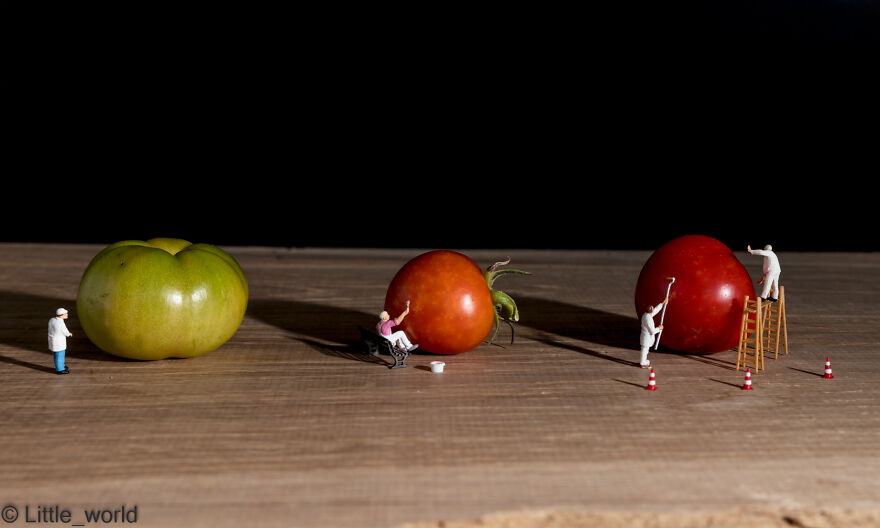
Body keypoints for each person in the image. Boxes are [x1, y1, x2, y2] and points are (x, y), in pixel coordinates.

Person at [639, 298, 667, 368]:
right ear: (650, 311)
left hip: (646, 337)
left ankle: (643, 361)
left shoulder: (646, 315)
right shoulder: (648, 319)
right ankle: (643, 363)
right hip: (646, 337)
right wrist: (659, 328)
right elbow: (652, 331)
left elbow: (655, 311)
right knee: (645, 350)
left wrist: (662, 303)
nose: (653, 310)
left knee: (645, 350)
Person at [48, 308, 72, 375]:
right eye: (65, 314)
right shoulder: (60, 323)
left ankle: (61, 366)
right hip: (59, 342)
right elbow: (65, 331)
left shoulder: (52, 320)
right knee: (60, 356)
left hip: (53, 340)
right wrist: (69, 334)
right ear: (61, 315)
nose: (67, 315)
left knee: (56, 355)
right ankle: (60, 369)